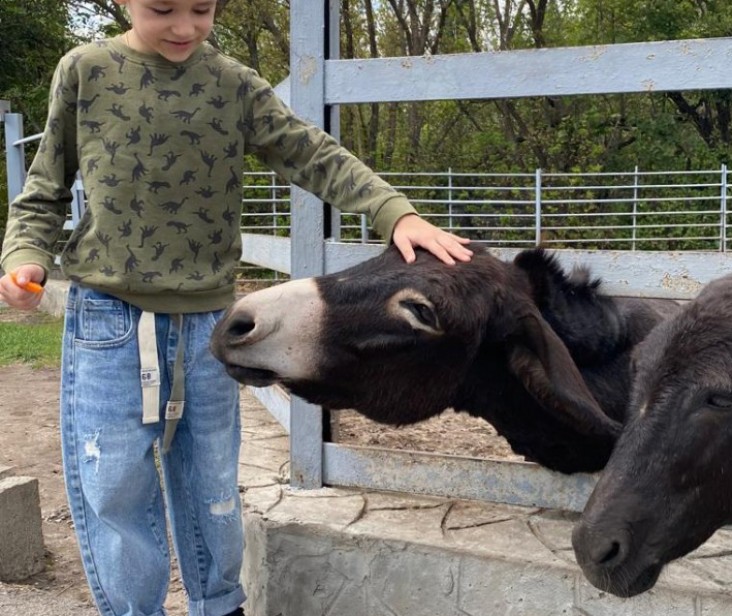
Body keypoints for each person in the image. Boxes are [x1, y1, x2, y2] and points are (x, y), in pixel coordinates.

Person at [0, 1, 472, 614]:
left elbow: (311, 152)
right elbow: (45, 188)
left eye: (202, 8)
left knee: (212, 482)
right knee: (113, 486)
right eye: (162, 8)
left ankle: (221, 606)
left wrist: (394, 212)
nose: (185, 27)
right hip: (107, 318)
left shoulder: (234, 84)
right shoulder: (85, 70)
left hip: (209, 326)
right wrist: (27, 256)